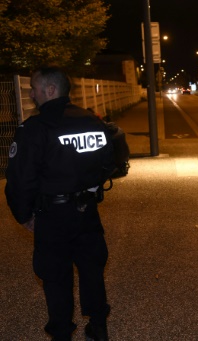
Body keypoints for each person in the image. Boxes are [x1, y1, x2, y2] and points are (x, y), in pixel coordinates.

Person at [4, 67, 115, 341]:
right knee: (92, 269)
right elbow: (110, 162)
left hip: (53, 215)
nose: (31, 93)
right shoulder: (92, 120)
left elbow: (20, 180)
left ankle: (62, 333)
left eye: (34, 88)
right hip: (87, 210)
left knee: (55, 276)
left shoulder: (35, 129)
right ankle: (99, 327)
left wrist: (24, 215)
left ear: (50, 90)